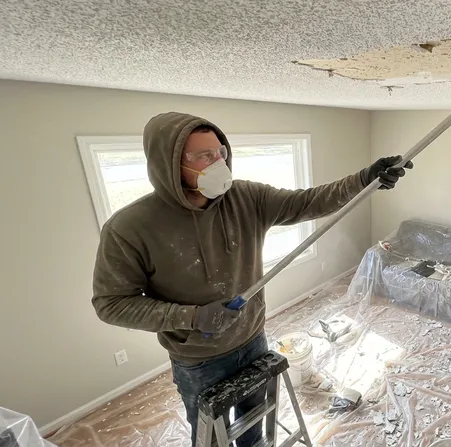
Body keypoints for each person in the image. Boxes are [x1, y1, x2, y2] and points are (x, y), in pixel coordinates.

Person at [90, 111, 412, 446]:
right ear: (168, 164)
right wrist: (190, 317)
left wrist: (364, 178)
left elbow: (308, 202)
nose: (218, 163)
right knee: (211, 438)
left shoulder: (245, 198)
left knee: (253, 427)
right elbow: (110, 304)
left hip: (252, 338)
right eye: (203, 156)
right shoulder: (130, 228)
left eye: (220, 153)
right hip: (198, 359)